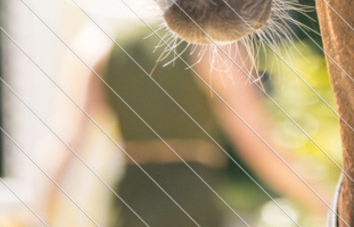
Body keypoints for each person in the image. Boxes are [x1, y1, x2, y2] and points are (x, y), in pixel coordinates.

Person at [38, 23, 330, 227]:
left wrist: (37, 211)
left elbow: (67, 140)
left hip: (129, 204)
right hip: (191, 204)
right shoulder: (213, 46)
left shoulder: (97, 43)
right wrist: (324, 200)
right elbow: (259, 147)